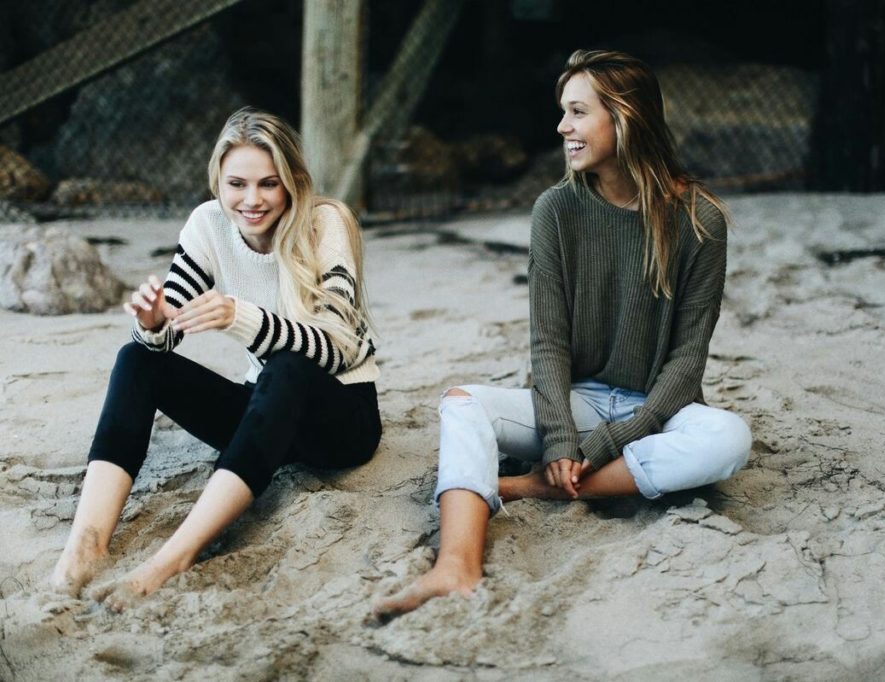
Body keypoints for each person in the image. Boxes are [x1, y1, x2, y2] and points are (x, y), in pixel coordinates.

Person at [375, 49, 751, 617]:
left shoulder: (699, 221)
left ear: (623, 119)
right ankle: (456, 565)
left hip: (659, 408)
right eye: (563, 112)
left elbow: (687, 361)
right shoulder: (555, 210)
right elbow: (548, 343)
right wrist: (558, 440)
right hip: (576, 403)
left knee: (729, 439)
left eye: (577, 112)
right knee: (461, 404)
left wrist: (599, 447)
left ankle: (524, 488)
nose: (562, 128)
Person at [49, 108, 382, 610]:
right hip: (268, 416)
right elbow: (164, 333)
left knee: (288, 367)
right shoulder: (208, 224)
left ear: (292, 181)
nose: (252, 200)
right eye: (237, 184)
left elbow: (341, 348)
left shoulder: (323, 222)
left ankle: (172, 558)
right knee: (135, 359)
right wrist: (153, 323)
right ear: (218, 183)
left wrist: (240, 316)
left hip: (340, 421)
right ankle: (86, 544)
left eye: (269, 184)